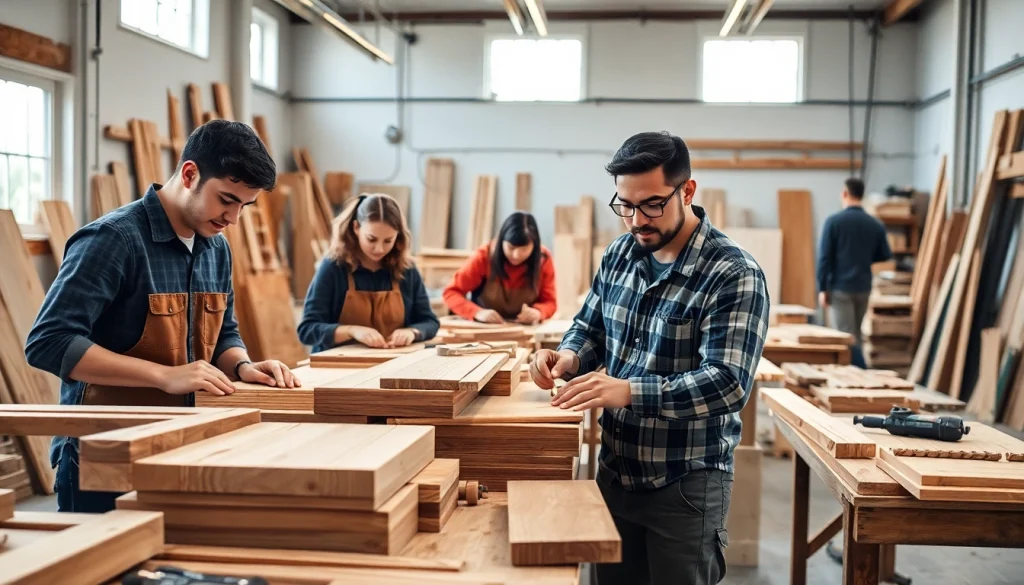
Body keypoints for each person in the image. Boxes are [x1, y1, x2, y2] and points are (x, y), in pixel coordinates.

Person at [529, 131, 770, 585]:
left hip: (684, 484)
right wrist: (566, 357)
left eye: (653, 205)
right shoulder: (621, 254)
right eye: (625, 205)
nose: (637, 220)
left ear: (687, 191)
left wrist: (628, 391)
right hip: (615, 471)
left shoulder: (732, 273)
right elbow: (590, 328)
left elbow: (728, 384)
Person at [26, 120, 300, 513]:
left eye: (244, 205)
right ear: (189, 174)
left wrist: (242, 366)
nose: (233, 218)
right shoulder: (113, 239)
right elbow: (48, 343)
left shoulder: (216, 249)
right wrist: (163, 375)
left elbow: (224, 332)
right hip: (104, 451)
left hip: (184, 444)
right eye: (226, 200)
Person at [298, 193, 439, 353]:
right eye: (371, 239)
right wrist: (351, 331)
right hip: (338, 363)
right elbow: (307, 330)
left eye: (388, 241)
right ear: (356, 228)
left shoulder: (407, 269)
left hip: (392, 360)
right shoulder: (333, 267)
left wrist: (412, 332)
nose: (379, 249)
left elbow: (430, 322)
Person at [817, 177, 892, 368]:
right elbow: (884, 254)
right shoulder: (875, 224)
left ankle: (859, 372)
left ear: (845, 193)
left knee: (845, 337)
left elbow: (824, 258)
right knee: (856, 333)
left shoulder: (834, 222)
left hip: (840, 288)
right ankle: (857, 372)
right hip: (863, 286)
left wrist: (822, 288)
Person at [442, 211, 556, 325]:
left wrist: (538, 312)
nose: (516, 255)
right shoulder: (484, 256)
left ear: (535, 245)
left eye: (524, 249)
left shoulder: (543, 260)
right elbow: (451, 293)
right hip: (485, 328)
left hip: (524, 329)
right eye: (511, 247)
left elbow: (550, 302)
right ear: (501, 241)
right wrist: (476, 312)